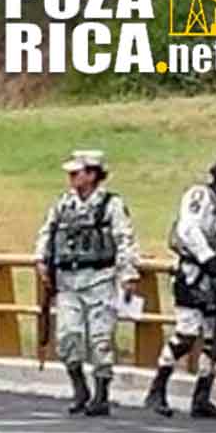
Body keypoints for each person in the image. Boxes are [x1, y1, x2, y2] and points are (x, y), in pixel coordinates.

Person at [144, 155, 216, 419]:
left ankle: (202, 396)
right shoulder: (201, 197)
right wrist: (209, 260)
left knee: (215, 338)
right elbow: (189, 230)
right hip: (193, 275)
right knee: (186, 334)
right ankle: (157, 389)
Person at [34, 150, 141, 416]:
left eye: (76, 173)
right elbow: (47, 231)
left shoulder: (111, 205)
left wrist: (127, 274)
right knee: (68, 336)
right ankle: (79, 388)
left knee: (100, 338)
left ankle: (101, 394)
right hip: (68, 280)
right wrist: (41, 259)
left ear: (92, 175)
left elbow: (125, 239)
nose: (71, 178)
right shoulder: (63, 204)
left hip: (100, 278)